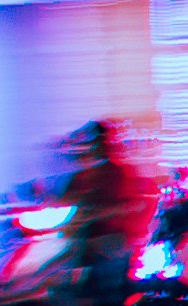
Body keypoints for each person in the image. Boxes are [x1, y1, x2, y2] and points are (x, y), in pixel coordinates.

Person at [61, 119, 151, 295]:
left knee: (97, 271)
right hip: (84, 237)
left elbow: (133, 204)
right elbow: (67, 200)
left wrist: (101, 213)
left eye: (94, 143)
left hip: (113, 239)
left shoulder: (118, 173)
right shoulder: (81, 177)